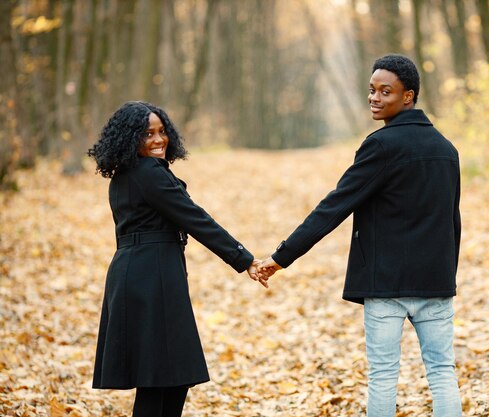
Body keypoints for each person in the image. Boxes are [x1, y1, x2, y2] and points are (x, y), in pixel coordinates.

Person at [260, 55, 462, 416]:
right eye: (371, 90)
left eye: (386, 91)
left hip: (385, 284)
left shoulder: (381, 146)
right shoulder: (447, 150)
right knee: (442, 372)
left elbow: (334, 206)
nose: (375, 98)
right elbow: (452, 222)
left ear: (408, 97)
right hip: (435, 281)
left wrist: (281, 257)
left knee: (383, 375)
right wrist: (447, 272)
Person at [88, 101, 268, 417]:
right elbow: (194, 218)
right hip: (151, 277)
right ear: (130, 139)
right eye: (148, 134)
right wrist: (244, 259)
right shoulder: (148, 173)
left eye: (162, 132)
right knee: (159, 379)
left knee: (171, 376)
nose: (159, 140)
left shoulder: (127, 174)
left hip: (141, 273)